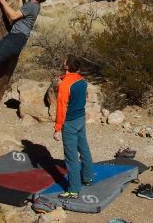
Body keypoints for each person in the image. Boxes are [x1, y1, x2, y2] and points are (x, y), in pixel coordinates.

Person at [53, 54, 94, 199]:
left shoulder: (65, 85)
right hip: (80, 119)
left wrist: (57, 128)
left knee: (71, 158)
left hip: (70, 122)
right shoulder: (82, 81)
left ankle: (73, 190)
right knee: (84, 149)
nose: (63, 62)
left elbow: (61, 108)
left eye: (64, 61)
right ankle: (88, 177)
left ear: (67, 66)